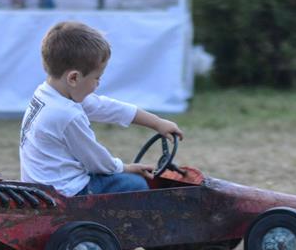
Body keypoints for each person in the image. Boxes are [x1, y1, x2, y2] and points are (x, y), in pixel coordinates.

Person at [19, 21, 183, 197]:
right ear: (74, 78)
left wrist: (157, 123)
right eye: (97, 78)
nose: (98, 84)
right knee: (135, 184)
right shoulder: (65, 114)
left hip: (43, 184)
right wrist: (126, 168)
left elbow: (106, 107)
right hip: (65, 192)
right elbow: (96, 161)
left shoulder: (47, 94)